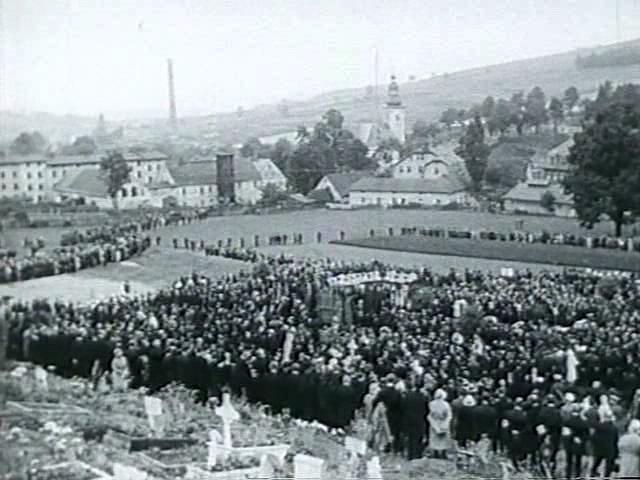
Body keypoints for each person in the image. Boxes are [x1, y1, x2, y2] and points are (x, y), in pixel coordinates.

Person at [590, 410, 619, 479]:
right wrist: (616, 452)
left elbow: (593, 437)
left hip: (599, 449)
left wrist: (595, 445)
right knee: (608, 466)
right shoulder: (614, 428)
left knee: (596, 463)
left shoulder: (599, 426)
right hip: (609, 449)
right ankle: (606, 477)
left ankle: (592, 474)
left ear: (604, 417)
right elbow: (616, 440)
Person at [428, 389, 452, 459]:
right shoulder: (446, 404)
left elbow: (429, 415)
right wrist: (446, 423)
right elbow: (449, 415)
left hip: (435, 421)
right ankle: (443, 453)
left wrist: (433, 423)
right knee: (443, 439)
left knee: (434, 438)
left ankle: (435, 452)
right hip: (443, 421)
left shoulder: (431, 404)